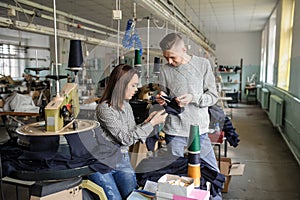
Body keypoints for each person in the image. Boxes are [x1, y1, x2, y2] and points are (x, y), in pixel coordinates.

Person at [156, 33, 222, 199]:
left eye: (172, 57)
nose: (169, 62)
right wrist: (162, 98)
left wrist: (194, 98)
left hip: (198, 130)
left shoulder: (202, 65)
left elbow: (213, 96)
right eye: (166, 58)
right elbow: (165, 95)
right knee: (174, 177)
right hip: (174, 130)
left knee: (212, 172)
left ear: (184, 50)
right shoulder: (165, 69)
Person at [88, 64, 167, 200]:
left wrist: (148, 122)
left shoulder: (127, 106)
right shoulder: (105, 109)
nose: (136, 90)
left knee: (133, 196)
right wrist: (152, 124)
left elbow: (131, 132)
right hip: (101, 163)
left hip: (122, 159)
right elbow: (126, 139)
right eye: (133, 85)